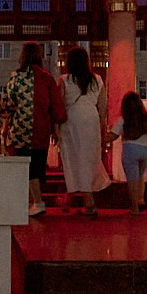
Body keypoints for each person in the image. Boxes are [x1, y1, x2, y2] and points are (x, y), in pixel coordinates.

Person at [0, 43, 64, 216]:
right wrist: (55, 129)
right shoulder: (47, 78)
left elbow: (7, 104)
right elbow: (56, 106)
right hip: (41, 129)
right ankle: (34, 202)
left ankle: (36, 202)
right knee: (37, 166)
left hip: (20, 129)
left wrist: (0, 121)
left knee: (25, 167)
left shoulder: (16, 77)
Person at [55, 46, 109, 216]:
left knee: (71, 159)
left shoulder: (65, 79)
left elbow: (59, 105)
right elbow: (103, 106)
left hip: (71, 120)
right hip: (91, 119)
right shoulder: (97, 79)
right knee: (89, 158)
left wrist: (56, 128)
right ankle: (75, 199)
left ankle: (88, 200)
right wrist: (101, 127)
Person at [108, 91, 147, 216]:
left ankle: (134, 207)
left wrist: (100, 140)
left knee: (132, 180)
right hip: (145, 151)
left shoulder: (124, 120)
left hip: (130, 150)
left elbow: (113, 136)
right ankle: (140, 199)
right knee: (140, 176)